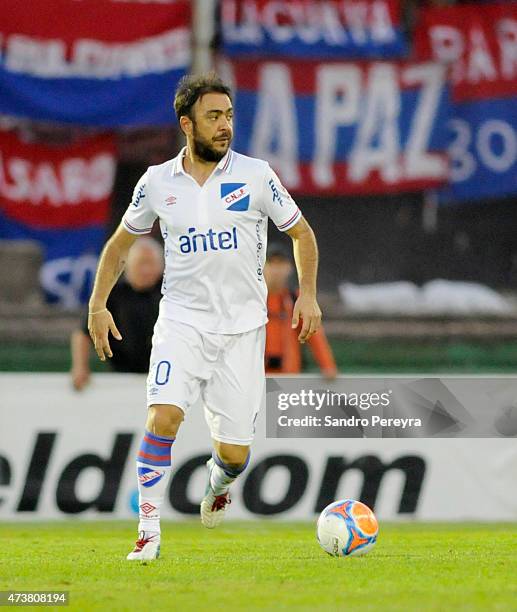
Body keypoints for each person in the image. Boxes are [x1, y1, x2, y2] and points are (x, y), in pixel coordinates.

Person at [87, 72, 322, 562]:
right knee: (163, 417)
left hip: (242, 331)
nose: (225, 126)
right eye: (214, 116)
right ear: (186, 125)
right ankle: (147, 532)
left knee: (235, 453)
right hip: (181, 323)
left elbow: (302, 234)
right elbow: (118, 246)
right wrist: (97, 303)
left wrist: (308, 296)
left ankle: (219, 483)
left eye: (229, 116)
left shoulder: (257, 176)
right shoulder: (156, 182)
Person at [71, 238, 163, 390]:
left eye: (151, 264)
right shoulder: (111, 294)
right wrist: (80, 367)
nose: (146, 270)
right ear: (127, 265)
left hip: (162, 375)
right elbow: (83, 333)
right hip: (120, 378)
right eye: (141, 263)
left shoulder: (171, 294)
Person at [265, 244, 337, 378]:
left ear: (289, 268)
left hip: (289, 378)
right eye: (271, 264)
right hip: (257, 378)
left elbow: (314, 335)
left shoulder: (296, 300)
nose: (276, 271)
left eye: (280, 264)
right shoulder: (253, 300)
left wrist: (328, 366)